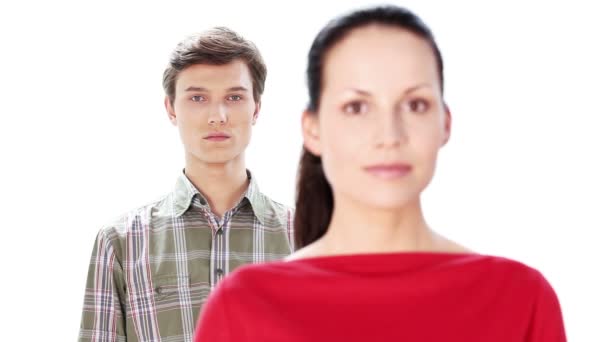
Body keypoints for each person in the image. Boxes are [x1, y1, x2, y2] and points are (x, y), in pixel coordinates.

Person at [193, 6, 566, 341]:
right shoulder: (243, 307)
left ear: (445, 123)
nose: (389, 135)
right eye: (357, 107)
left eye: (415, 105)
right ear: (313, 130)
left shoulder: (519, 297)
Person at [78, 27, 294, 342]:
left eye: (234, 97)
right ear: (171, 108)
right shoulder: (121, 242)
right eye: (197, 97)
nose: (217, 116)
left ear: (256, 108)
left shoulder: (306, 238)